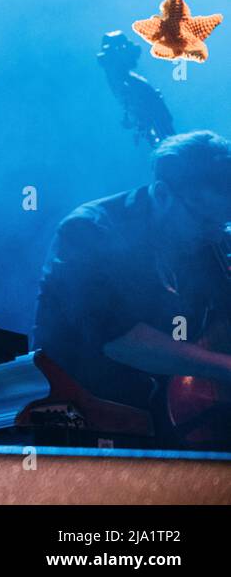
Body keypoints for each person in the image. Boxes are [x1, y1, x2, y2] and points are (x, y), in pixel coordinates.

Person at [33, 130, 231, 440]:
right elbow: (121, 343)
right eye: (206, 220)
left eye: (224, 222)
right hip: (86, 422)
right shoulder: (89, 231)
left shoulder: (208, 241)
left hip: (169, 420)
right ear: (163, 194)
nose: (217, 235)